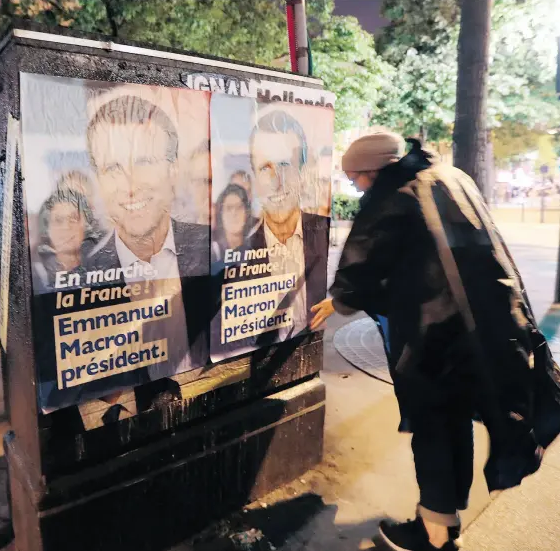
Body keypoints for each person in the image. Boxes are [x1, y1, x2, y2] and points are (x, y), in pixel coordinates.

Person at [310, 133, 560, 551]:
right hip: (489, 330)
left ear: (374, 170)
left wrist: (341, 299)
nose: (356, 187)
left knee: (434, 427)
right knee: (453, 422)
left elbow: (364, 261)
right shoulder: (451, 177)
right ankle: (441, 521)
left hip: (435, 339)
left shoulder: (394, 194)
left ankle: (436, 537)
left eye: (356, 178)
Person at [84, 94, 211, 391]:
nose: (130, 186)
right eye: (113, 168)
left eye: (143, 162)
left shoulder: (211, 247)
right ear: (98, 181)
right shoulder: (80, 279)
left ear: (173, 169)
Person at [245, 109, 329, 342]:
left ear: (302, 171)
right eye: (265, 168)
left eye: (284, 165)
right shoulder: (238, 251)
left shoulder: (323, 229)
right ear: (253, 178)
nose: (276, 182)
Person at [33, 178, 99, 293]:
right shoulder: (35, 278)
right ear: (47, 230)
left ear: (86, 226)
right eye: (58, 220)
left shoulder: (104, 269)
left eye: (73, 218)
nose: (66, 227)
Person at [211, 183, 252, 263]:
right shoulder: (213, 253)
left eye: (239, 207)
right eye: (229, 208)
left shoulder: (255, 248)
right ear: (221, 214)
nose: (234, 213)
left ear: (246, 214)